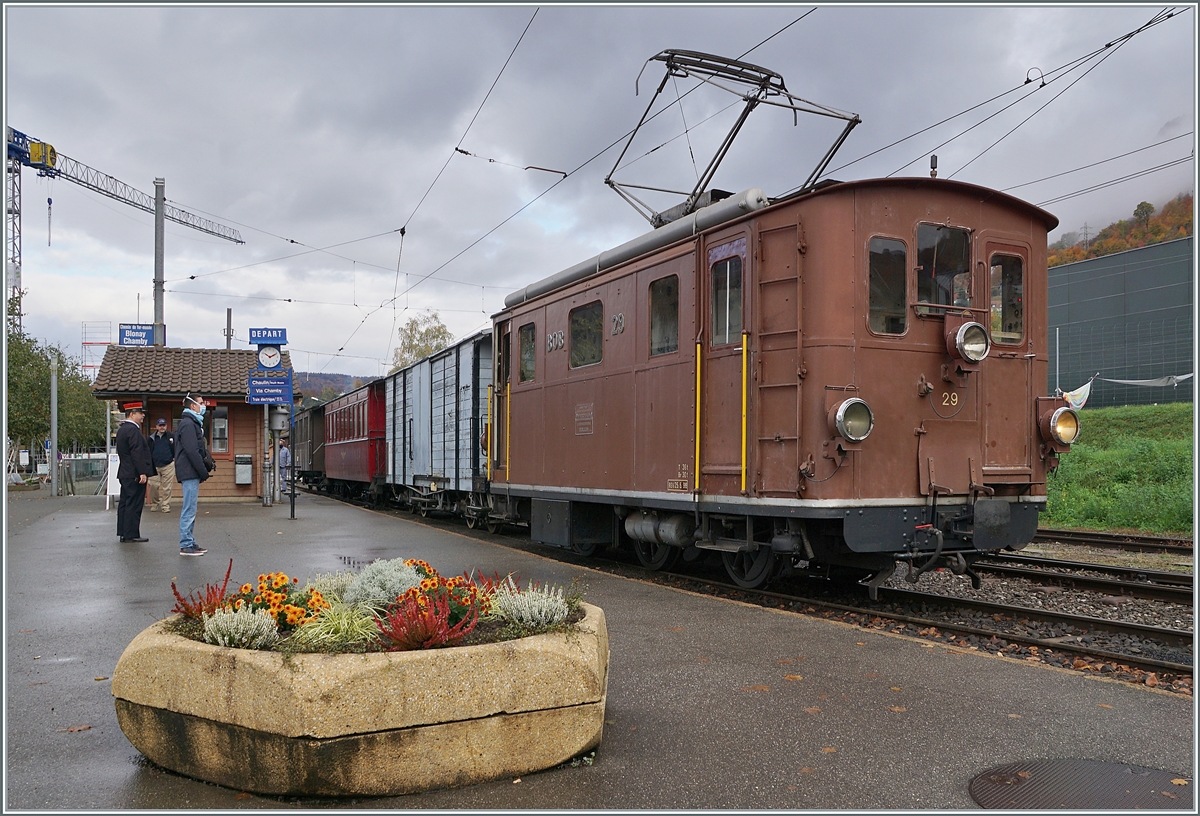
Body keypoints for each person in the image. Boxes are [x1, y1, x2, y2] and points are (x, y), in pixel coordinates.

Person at [174, 393, 214, 556]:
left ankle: (189, 541)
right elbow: (192, 451)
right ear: (192, 406)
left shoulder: (190, 423)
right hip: (189, 471)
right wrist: (203, 471)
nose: (203, 405)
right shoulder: (189, 425)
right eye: (200, 403)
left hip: (189, 471)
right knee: (189, 509)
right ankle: (186, 544)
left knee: (190, 508)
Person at [115, 402, 155, 543]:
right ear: (132, 414)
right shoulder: (133, 430)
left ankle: (123, 532)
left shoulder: (122, 430)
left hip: (125, 472)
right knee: (134, 503)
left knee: (125, 503)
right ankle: (131, 533)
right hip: (133, 474)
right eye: (140, 412)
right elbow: (137, 453)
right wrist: (142, 472)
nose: (143, 415)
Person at [148, 418, 176, 512]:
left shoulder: (171, 436)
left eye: (163, 425)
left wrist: (174, 457)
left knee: (167, 487)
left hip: (168, 465)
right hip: (154, 465)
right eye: (160, 425)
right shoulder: (151, 438)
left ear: (166, 426)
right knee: (153, 486)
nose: (162, 427)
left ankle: (165, 506)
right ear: (156, 427)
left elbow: (177, 447)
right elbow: (147, 451)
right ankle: (155, 503)